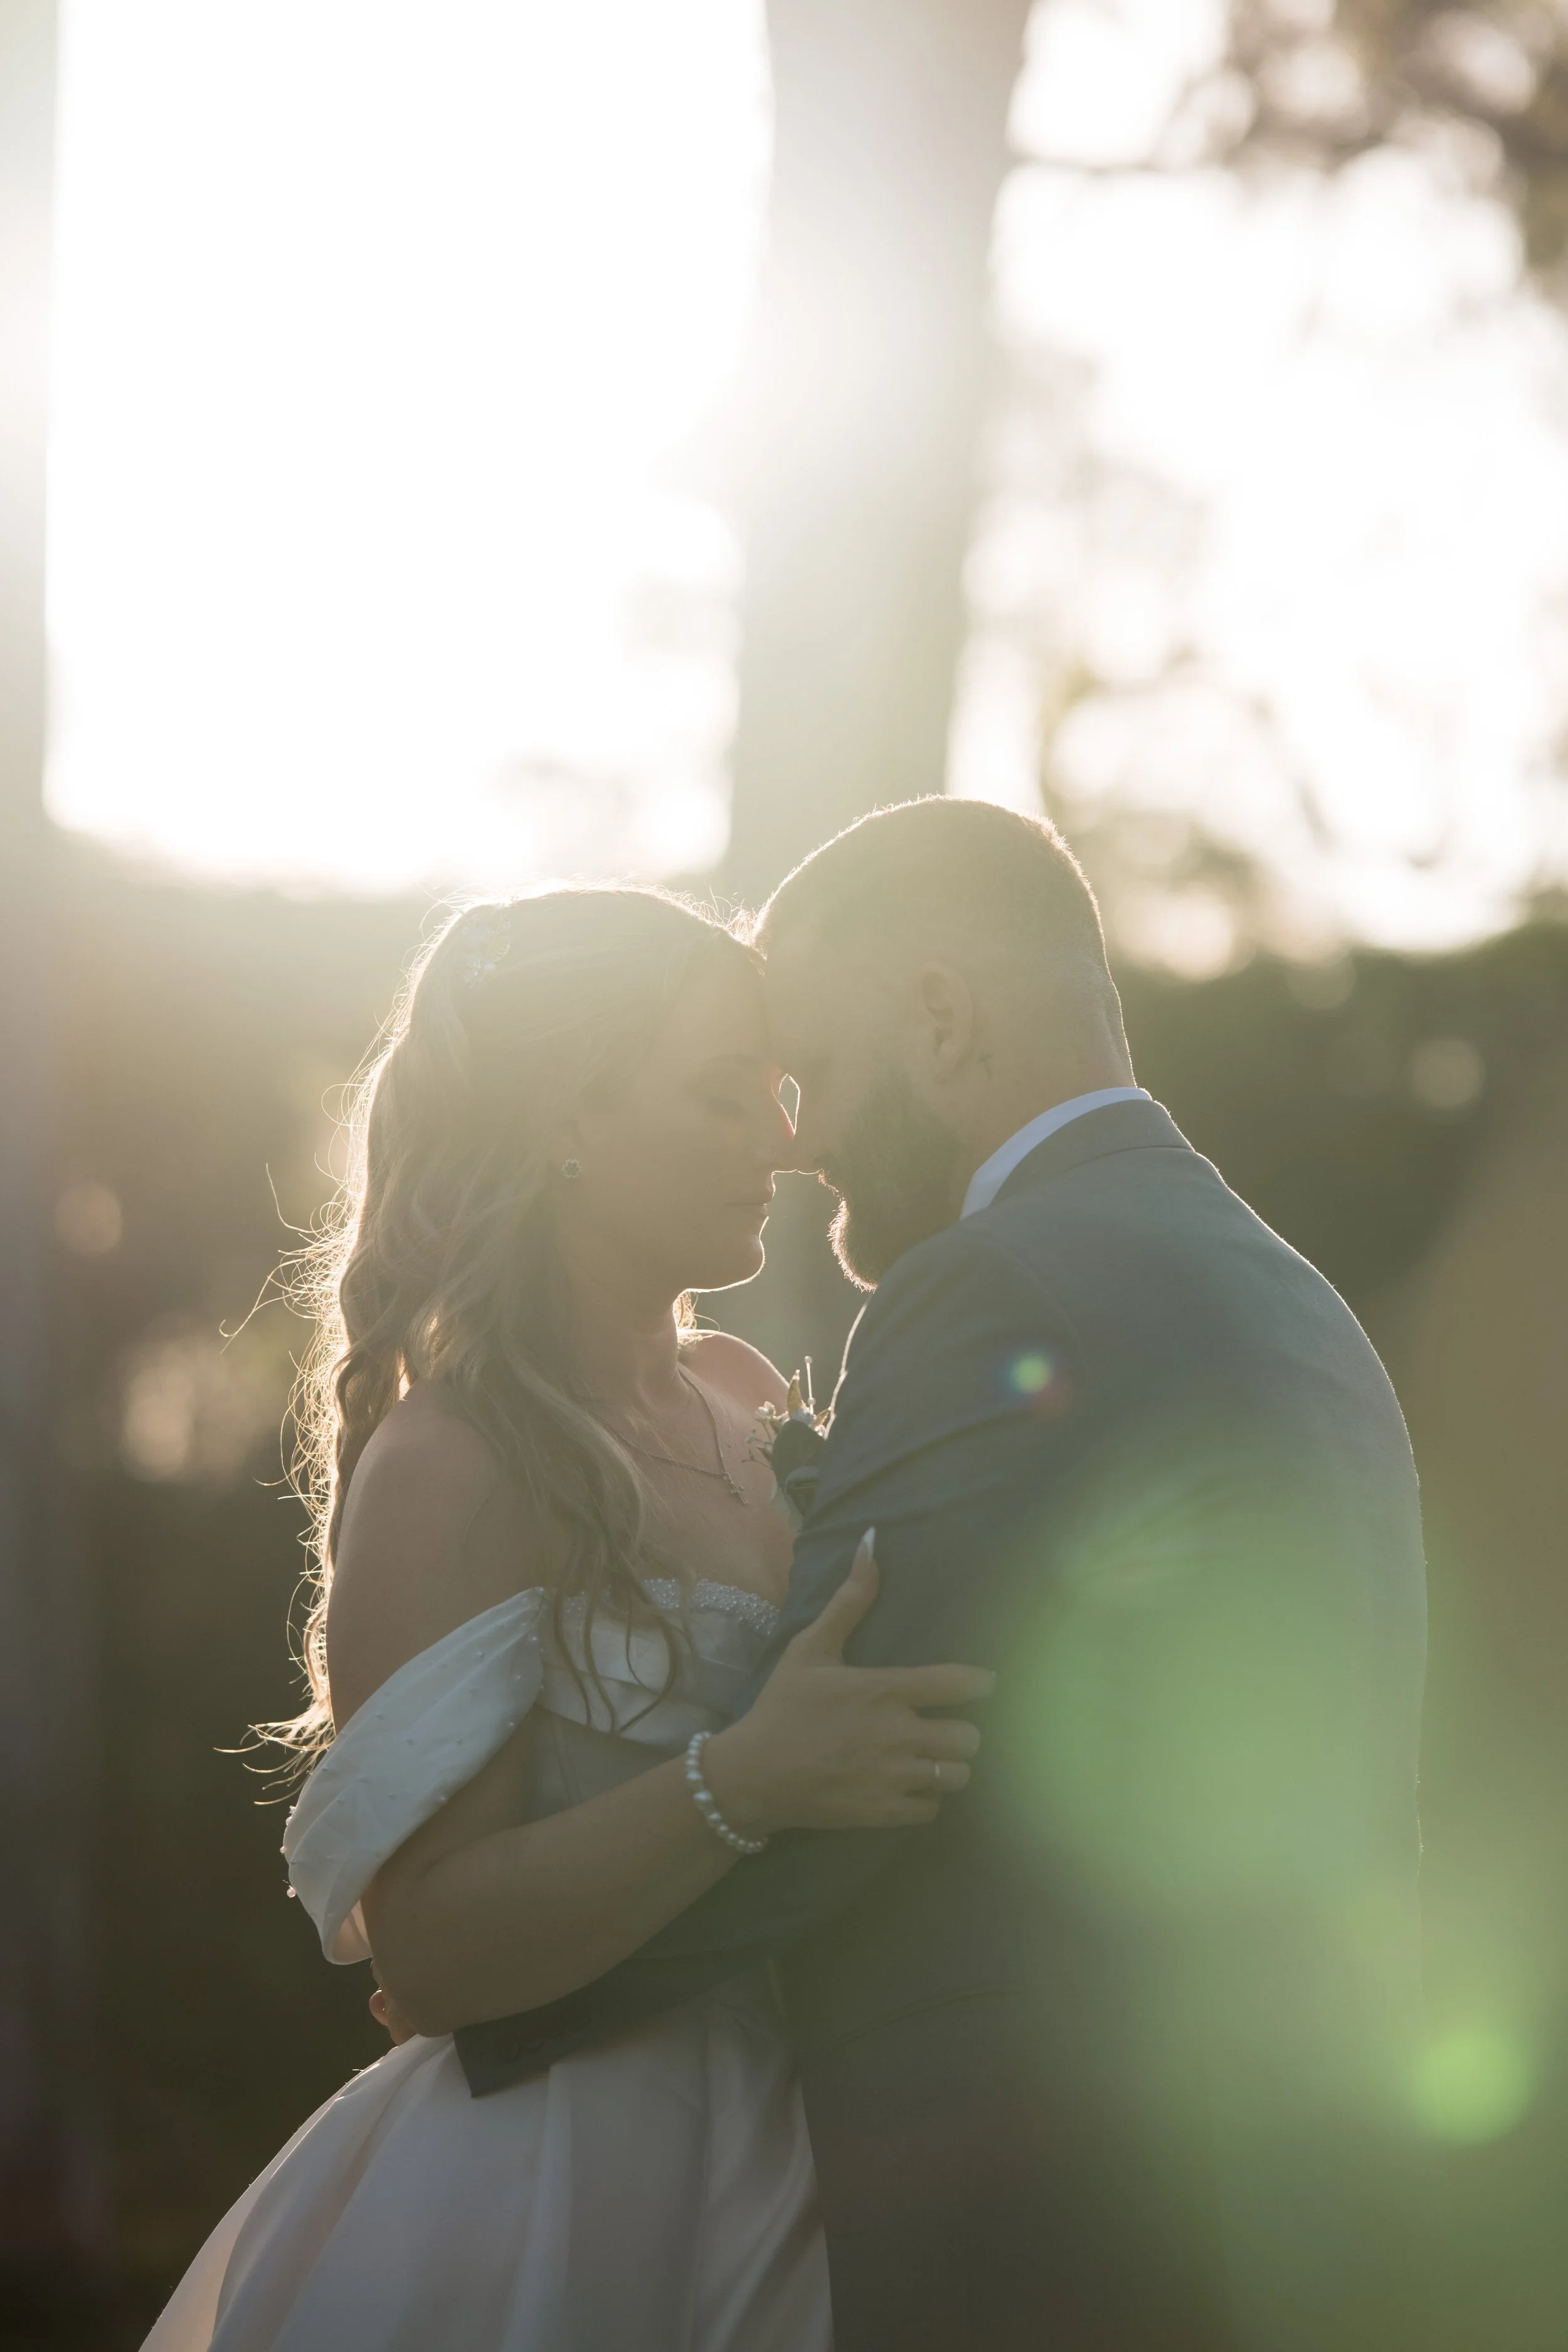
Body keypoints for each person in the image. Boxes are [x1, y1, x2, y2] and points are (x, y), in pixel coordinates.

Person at [458, 798, 1431, 2351]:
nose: (799, 1144)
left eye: (817, 1078)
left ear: (937, 1018)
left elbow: (861, 1755)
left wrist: (507, 1986)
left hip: (1048, 2219)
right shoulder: (1280, 1287)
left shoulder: (1000, 1283)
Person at [142, 884, 995, 2352]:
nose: (783, 1140)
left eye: (780, 1089)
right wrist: (746, 1779)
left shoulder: (740, 1391)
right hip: (565, 2184)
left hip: (809, 2155)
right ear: (565, 1120)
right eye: (724, 1095)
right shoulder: (454, 1463)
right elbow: (433, 1957)